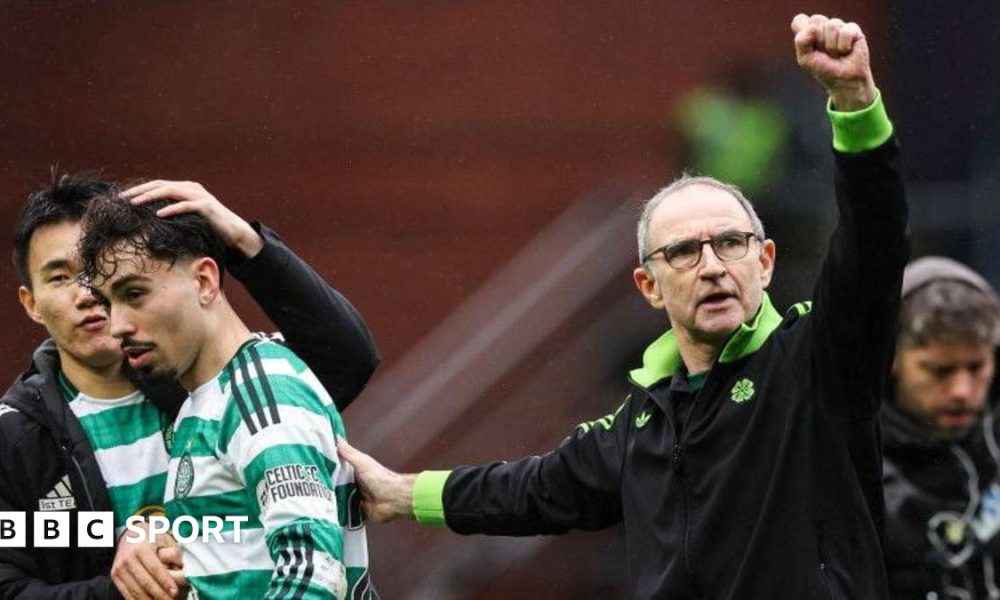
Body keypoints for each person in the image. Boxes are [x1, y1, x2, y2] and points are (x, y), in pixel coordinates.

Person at [337, 13, 908, 599]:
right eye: (683, 252)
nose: (712, 265)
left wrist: (856, 103)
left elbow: (875, 241)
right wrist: (401, 494)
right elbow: (531, 488)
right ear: (649, 286)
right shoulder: (642, 420)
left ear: (764, 262)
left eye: (730, 243)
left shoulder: (817, 360)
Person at [0, 175, 379, 599]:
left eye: (127, 288)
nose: (87, 295)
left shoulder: (230, 383)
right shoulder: (15, 435)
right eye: (60, 277)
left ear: (202, 281)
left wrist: (245, 242)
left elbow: (343, 358)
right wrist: (129, 582)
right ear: (30, 302)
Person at [882, 257, 1000, 599]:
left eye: (976, 367)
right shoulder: (851, 466)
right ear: (891, 359)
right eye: (940, 371)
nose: (962, 391)